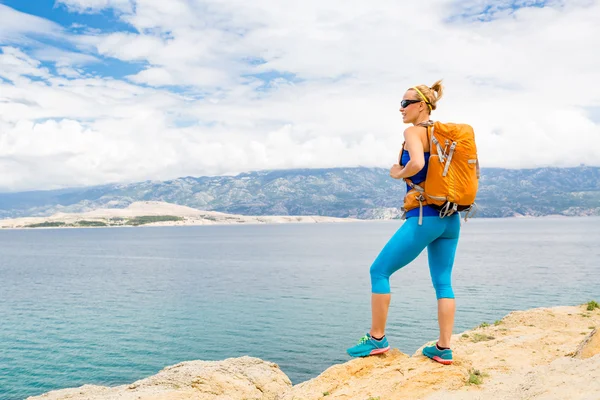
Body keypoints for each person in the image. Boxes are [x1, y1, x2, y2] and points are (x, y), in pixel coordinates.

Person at [346, 80, 459, 365]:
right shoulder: (445, 134)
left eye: (406, 103)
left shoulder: (413, 132)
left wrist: (397, 173)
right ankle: (443, 348)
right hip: (451, 219)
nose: (401, 108)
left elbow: (418, 165)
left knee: (379, 271)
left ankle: (376, 339)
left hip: (424, 217)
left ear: (422, 105)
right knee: (443, 283)